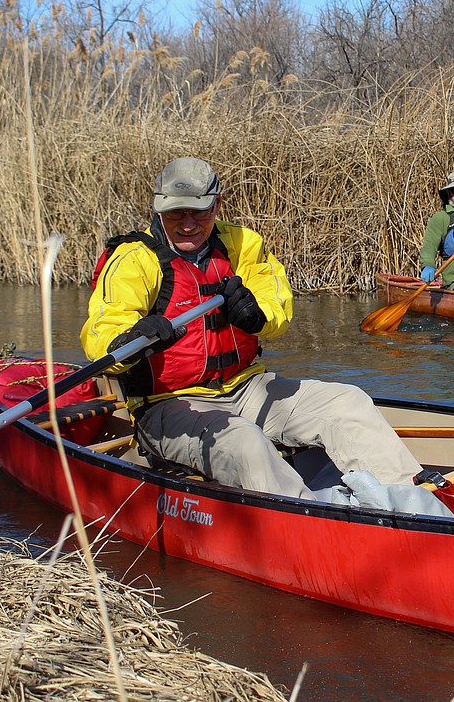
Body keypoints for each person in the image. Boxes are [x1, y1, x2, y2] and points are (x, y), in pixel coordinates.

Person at [82, 157, 435, 504]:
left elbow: (277, 306)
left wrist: (255, 316)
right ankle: (307, 523)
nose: (188, 224)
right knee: (246, 443)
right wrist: (134, 338)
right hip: (170, 405)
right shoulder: (133, 258)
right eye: (176, 213)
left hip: (247, 388)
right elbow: (102, 335)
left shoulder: (242, 246)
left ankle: (414, 505)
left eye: (199, 212)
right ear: (159, 210)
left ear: (216, 206)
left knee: (347, 402)